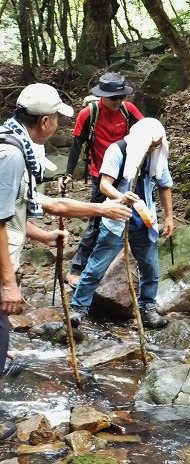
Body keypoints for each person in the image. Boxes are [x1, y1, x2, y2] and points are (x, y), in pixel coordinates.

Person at [0, 84, 132, 419]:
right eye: (57, 118)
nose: (59, 123)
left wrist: (43, 236)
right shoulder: (12, 156)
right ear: (44, 122)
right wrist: (8, 284)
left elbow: (21, 208)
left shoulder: (13, 146)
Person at [70, 118, 174, 329]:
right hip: (117, 216)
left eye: (158, 144)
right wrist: (121, 197)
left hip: (145, 220)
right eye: (152, 144)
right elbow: (104, 185)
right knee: (97, 266)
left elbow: (164, 185)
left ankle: (147, 308)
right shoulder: (118, 150)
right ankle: (78, 308)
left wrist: (169, 216)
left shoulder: (157, 155)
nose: (155, 147)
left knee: (151, 269)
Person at [59, 72, 143, 288]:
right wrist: (68, 174)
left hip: (127, 174)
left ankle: (122, 265)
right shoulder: (90, 113)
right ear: (103, 96)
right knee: (96, 222)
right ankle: (77, 269)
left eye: (121, 97)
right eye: (114, 98)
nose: (118, 101)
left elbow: (145, 132)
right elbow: (77, 144)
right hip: (101, 176)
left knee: (132, 219)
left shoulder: (128, 110)